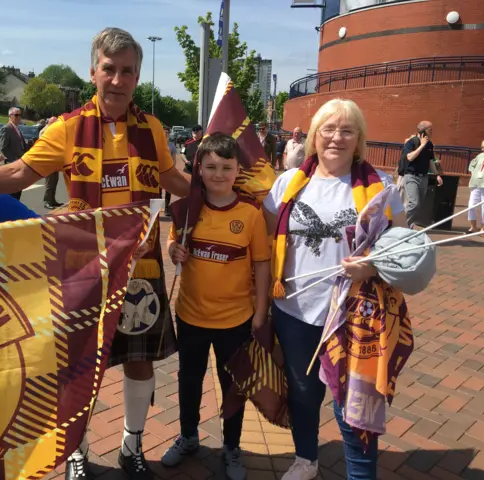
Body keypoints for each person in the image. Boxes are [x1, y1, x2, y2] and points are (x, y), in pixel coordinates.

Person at [0, 27, 190, 480]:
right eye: (109, 70)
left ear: (137, 77)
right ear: (94, 71)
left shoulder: (151, 128)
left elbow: (173, 182)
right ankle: (77, 449)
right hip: (81, 267)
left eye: (127, 71)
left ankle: (131, 446)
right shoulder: (67, 127)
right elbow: (17, 173)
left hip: (141, 264)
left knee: (138, 360)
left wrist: (223, 189)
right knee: (78, 364)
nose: (117, 80)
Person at [262, 99, 408, 480]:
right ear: (314, 135)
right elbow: (264, 237)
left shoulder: (383, 190)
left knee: (352, 405)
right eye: (328, 128)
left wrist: (374, 264)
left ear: (359, 138)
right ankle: (306, 460)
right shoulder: (288, 183)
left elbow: (404, 252)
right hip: (295, 311)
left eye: (347, 130)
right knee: (303, 393)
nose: (336, 138)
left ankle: (360, 475)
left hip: (353, 315)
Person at [162, 133, 270, 480]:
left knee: (232, 386)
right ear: (199, 169)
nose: (218, 174)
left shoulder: (250, 214)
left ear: (238, 169)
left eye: (226, 167)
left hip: (235, 319)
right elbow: (173, 243)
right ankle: (188, 436)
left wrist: (261, 310)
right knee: (189, 381)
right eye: (210, 167)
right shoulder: (187, 208)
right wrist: (172, 251)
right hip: (191, 315)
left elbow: (262, 265)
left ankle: (232, 446)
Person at [401, 121, 443, 227]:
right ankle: (400, 224)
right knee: (413, 203)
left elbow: (430, 161)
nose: (432, 132)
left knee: (418, 206)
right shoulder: (412, 142)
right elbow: (409, 157)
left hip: (423, 178)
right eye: (430, 130)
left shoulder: (429, 144)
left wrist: (437, 175)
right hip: (411, 176)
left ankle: (408, 226)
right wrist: (421, 145)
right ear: (423, 130)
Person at [0, 107, 27, 200]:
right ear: (10, 116)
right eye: (16, 115)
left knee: (18, 190)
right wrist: (13, 160)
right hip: (13, 164)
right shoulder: (6, 129)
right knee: (12, 192)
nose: (19, 117)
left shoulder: (17, 129)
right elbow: (4, 147)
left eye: (20, 115)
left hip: (21, 162)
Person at [40, 116, 63, 209]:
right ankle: (47, 201)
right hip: (48, 159)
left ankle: (52, 200)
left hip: (54, 159)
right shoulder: (45, 131)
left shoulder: (51, 130)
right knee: (49, 182)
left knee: (54, 180)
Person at [466, 138, 484, 233]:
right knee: (471, 205)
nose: (481, 148)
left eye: (483, 147)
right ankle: (473, 227)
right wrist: (473, 173)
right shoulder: (480, 156)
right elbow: (472, 165)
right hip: (476, 184)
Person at [163, 125, 177, 217]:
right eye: (164, 132)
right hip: (158, 170)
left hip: (168, 170)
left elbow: (174, 158)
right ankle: (156, 208)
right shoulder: (156, 143)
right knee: (157, 191)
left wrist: (172, 169)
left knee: (168, 190)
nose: (165, 134)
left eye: (167, 132)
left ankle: (166, 208)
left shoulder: (171, 145)